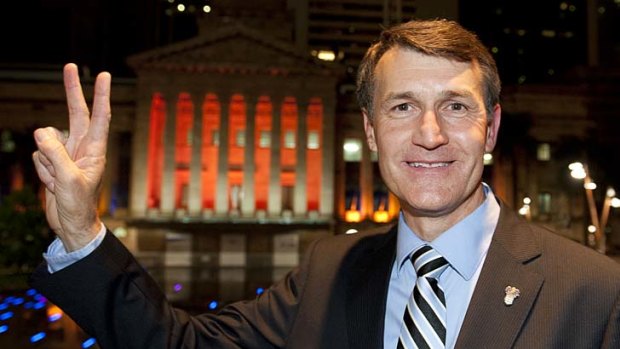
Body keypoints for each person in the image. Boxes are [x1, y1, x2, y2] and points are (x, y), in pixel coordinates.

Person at [30, 19, 620, 349]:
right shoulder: (328, 272)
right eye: (402, 107)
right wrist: (82, 232)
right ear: (370, 130)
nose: (430, 134)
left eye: (457, 108)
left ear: (491, 128)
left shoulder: (596, 291)